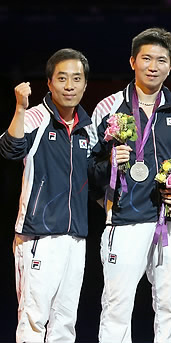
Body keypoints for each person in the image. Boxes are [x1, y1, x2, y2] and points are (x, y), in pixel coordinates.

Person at [87, 28, 171, 343]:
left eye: (161, 60)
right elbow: (89, 171)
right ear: (133, 61)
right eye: (146, 58)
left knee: (169, 306)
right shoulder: (109, 108)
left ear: (170, 66)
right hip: (124, 223)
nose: (153, 66)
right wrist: (110, 170)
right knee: (117, 306)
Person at [0, 48, 91, 343]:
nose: (69, 85)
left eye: (76, 79)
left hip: (75, 238)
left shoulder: (88, 130)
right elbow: (11, 150)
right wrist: (20, 107)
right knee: (34, 318)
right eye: (62, 78)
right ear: (49, 83)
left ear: (85, 84)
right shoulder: (35, 117)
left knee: (65, 322)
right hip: (38, 236)